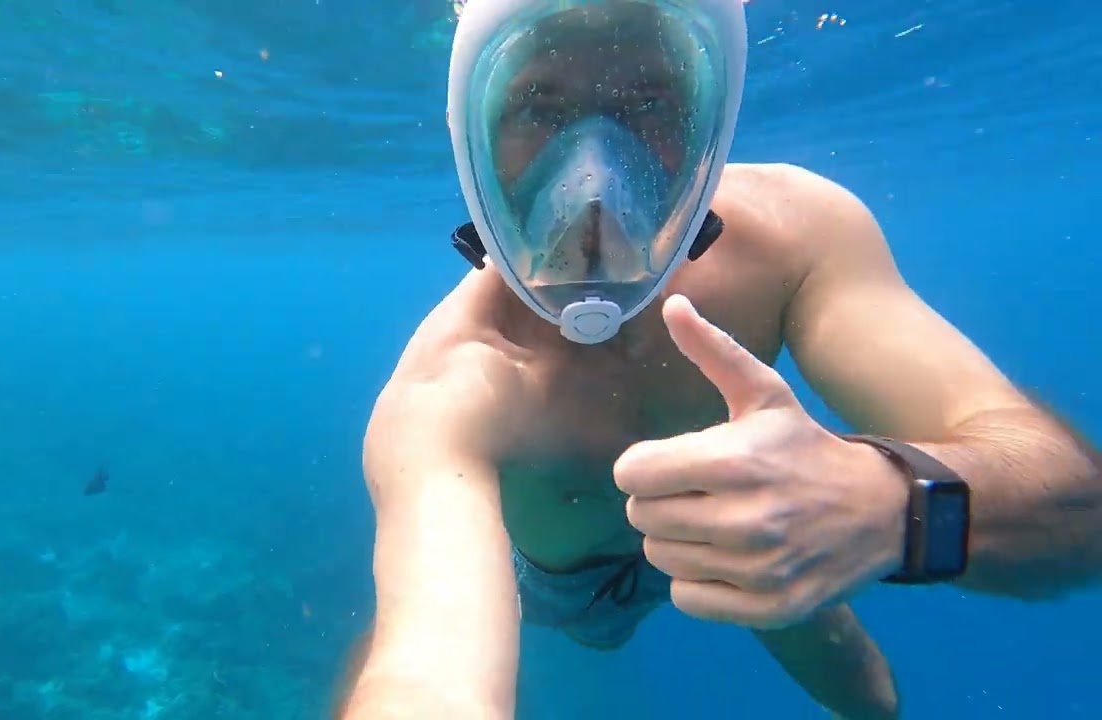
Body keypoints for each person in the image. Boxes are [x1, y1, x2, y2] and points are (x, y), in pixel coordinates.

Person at [338, 0, 1102, 718]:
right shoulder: (450, 387)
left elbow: (1079, 513)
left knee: (869, 696)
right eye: (538, 104)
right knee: (534, 624)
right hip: (563, 586)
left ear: (710, 120)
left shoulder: (795, 237)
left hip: (743, 524)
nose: (595, 168)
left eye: (649, 103)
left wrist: (884, 501)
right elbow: (427, 675)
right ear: (471, 134)